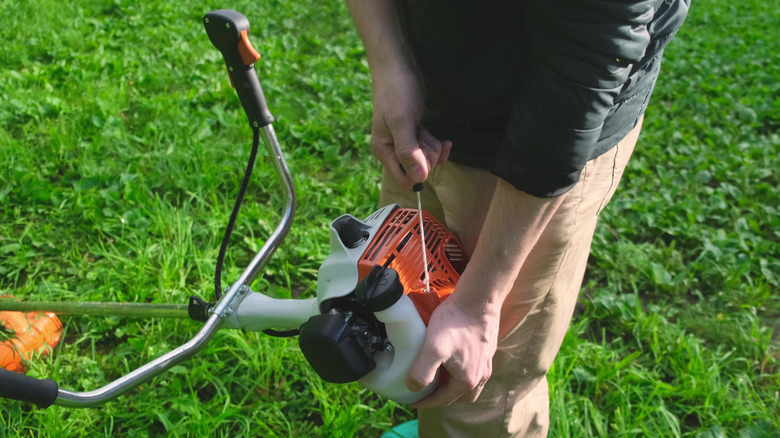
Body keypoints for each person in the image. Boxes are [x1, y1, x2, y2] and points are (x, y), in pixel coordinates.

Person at [345, 0, 689, 436]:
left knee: (475, 391)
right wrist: (394, 67)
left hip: (538, 142)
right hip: (434, 100)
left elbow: (580, 77)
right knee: (409, 321)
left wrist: (478, 305)